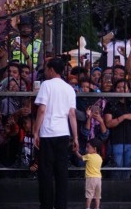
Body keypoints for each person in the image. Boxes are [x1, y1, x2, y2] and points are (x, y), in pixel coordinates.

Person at [33, 57, 78, 209]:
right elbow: (72, 114)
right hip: (63, 133)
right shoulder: (69, 89)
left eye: (46, 68)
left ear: (51, 69)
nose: (45, 71)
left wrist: (35, 131)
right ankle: (61, 205)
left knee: (45, 172)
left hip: (47, 133)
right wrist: (76, 137)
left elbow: (42, 109)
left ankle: (46, 205)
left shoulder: (46, 85)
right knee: (61, 172)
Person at [75, 138, 103, 209]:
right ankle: (97, 207)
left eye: (88, 147)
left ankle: (87, 208)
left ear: (95, 149)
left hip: (90, 178)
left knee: (89, 195)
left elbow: (80, 157)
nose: (86, 149)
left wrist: (76, 151)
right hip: (98, 178)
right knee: (97, 196)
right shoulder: (100, 157)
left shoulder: (89, 156)